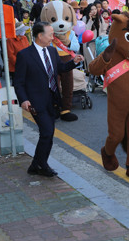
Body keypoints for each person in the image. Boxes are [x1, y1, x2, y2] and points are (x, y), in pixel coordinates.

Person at [14, 22, 84, 177]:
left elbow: (61, 68)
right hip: (35, 101)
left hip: (52, 99)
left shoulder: (52, 51)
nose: (54, 37)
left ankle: (35, 164)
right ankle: (42, 165)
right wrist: (24, 100)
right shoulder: (25, 55)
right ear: (40, 36)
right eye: (50, 34)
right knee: (46, 132)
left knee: (48, 133)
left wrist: (74, 62)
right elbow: (18, 82)